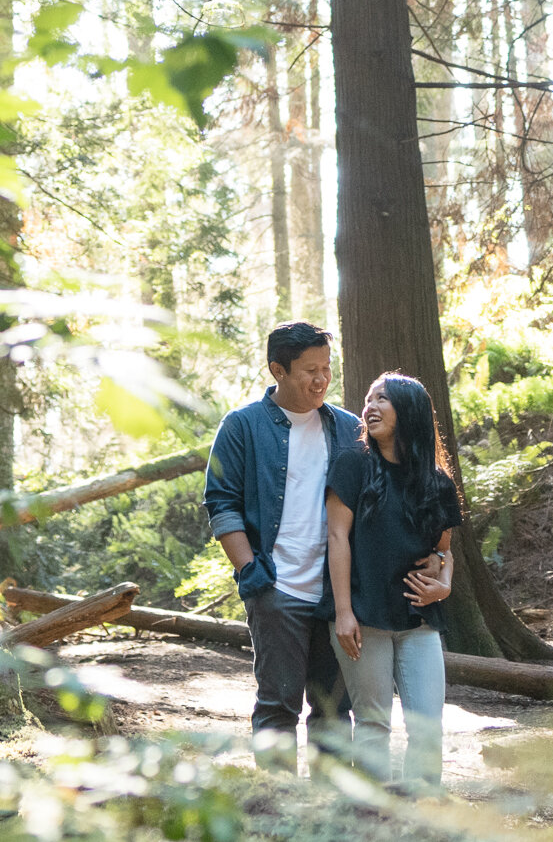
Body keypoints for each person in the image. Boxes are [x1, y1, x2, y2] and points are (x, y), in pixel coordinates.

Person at [202, 321, 359, 770]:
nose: (321, 379)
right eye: (310, 370)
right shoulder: (242, 426)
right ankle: (277, 811)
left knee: (333, 709)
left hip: (335, 595)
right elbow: (221, 501)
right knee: (277, 708)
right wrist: (251, 572)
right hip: (277, 589)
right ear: (278, 370)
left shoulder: (347, 428)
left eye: (326, 368)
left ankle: (331, 811)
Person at [326, 371, 460, 790]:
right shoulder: (353, 464)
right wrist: (343, 612)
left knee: (427, 726)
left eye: (382, 398)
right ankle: (372, 819)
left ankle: (422, 819)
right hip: (363, 617)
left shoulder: (436, 481)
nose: (370, 406)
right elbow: (337, 537)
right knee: (373, 722)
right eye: (368, 398)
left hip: (419, 620)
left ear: (409, 410)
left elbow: (444, 551)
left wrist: (445, 584)